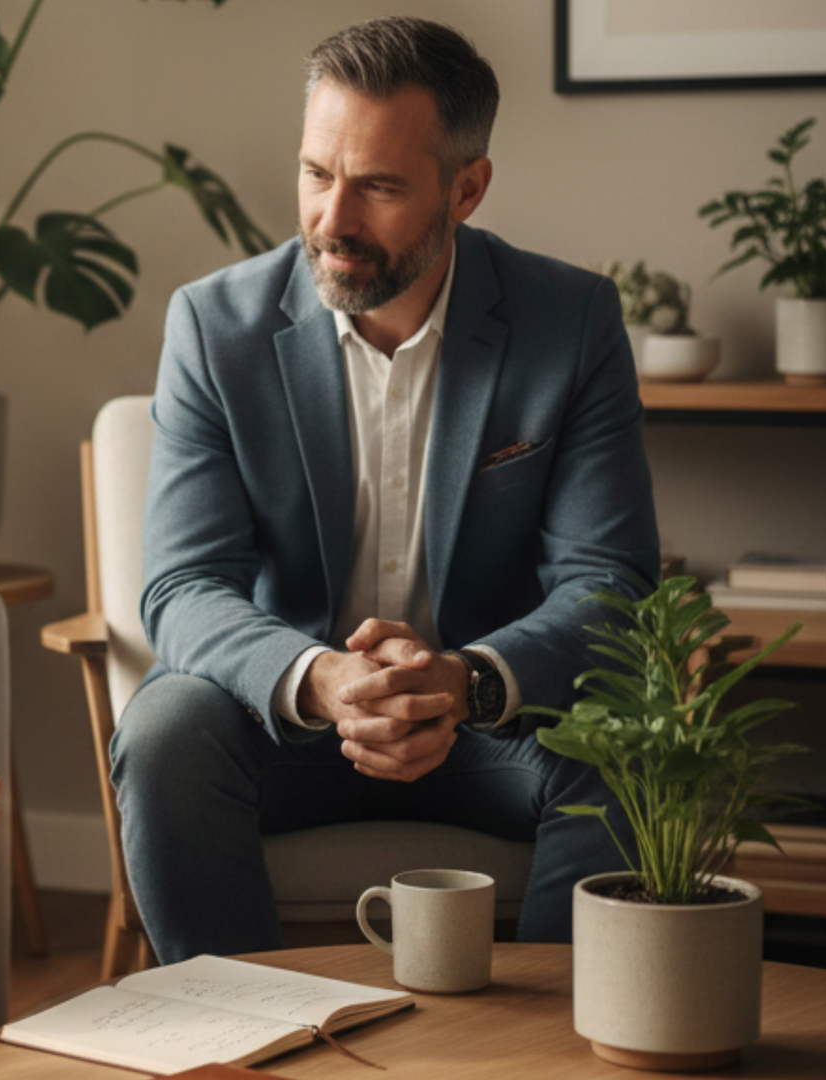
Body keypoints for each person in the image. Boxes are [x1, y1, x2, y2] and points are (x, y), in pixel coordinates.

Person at [110, 16, 659, 963]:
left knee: (628, 743)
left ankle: (552, 1056)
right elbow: (183, 588)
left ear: (467, 188)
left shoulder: (568, 323)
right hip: (281, 721)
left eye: (379, 186)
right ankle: (234, 1042)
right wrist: (324, 679)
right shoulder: (214, 326)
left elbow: (610, 584)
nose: (332, 220)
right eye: (318, 174)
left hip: (490, 725)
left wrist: (467, 679)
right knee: (165, 731)